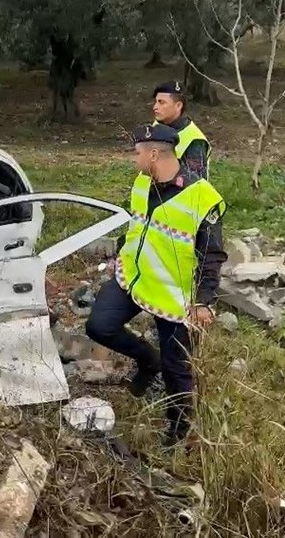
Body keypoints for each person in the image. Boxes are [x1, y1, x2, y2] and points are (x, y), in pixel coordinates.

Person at [86, 123, 227, 445]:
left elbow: (212, 254)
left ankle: (178, 434)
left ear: (153, 154)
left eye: (137, 153)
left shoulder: (202, 198)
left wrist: (204, 301)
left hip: (173, 297)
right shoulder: (142, 183)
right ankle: (146, 360)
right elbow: (138, 226)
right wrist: (121, 255)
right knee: (99, 326)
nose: (134, 160)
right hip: (133, 277)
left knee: (177, 369)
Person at [151, 81, 211, 179]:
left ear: (178, 106)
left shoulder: (194, 140)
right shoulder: (156, 126)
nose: (155, 107)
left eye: (162, 102)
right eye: (156, 102)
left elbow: (196, 183)